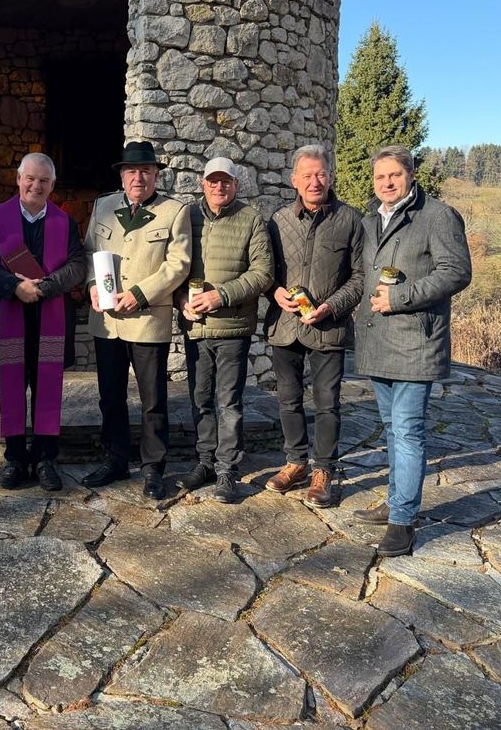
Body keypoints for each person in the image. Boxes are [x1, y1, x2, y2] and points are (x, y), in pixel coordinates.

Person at [352, 145, 471, 556]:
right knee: (392, 430)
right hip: (379, 341)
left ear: (411, 175)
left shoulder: (438, 216)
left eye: (395, 176)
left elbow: (456, 272)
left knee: (407, 432)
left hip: (416, 342)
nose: (387, 183)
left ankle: (403, 520)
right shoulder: (371, 220)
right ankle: (395, 500)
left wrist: (400, 296)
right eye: (380, 176)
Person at [82, 140, 192, 500]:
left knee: (152, 401)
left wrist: (141, 294)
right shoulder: (102, 206)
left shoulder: (174, 211)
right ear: (122, 175)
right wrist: (92, 286)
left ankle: (153, 468)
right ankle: (114, 459)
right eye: (131, 171)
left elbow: (177, 264)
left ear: (156, 174)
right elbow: (87, 253)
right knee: (110, 397)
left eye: (145, 171)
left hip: (147, 319)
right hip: (108, 322)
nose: (138, 177)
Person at [0, 153, 86, 491]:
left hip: (50, 315)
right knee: (11, 387)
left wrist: (44, 288)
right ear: (18, 179)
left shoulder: (64, 223)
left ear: (52, 185)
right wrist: (15, 287)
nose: (35, 185)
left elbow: (78, 264)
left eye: (43, 181)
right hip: (9, 314)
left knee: (46, 390)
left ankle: (44, 459)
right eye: (30, 178)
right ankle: (14, 459)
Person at [264, 144, 364, 508]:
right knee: (288, 401)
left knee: (327, 403)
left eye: (320, 174)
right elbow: (265, 272)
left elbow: (360, 277)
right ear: (294, 180)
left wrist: (330, 307)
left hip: (328, 327)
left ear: (331, 176)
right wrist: (275, 293)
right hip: (285, 326)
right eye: (306, 175)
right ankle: (295, 463)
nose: (314, 181)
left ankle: (323, 470)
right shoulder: (277, 221)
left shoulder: (350, 220)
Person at [175, 158, 274, 503]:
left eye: (226, 181)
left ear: (236, 184)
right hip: (196, 327)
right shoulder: (186, 216)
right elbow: (173, 267)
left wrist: (221, 296)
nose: (220, 187)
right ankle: (204, 462)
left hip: (232, 327)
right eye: (213, 181)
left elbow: (263, 273)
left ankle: (227, 469)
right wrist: (179, 301)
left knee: (228, 402)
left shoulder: (251, 219)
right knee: (200, 399)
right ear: (203, 184)